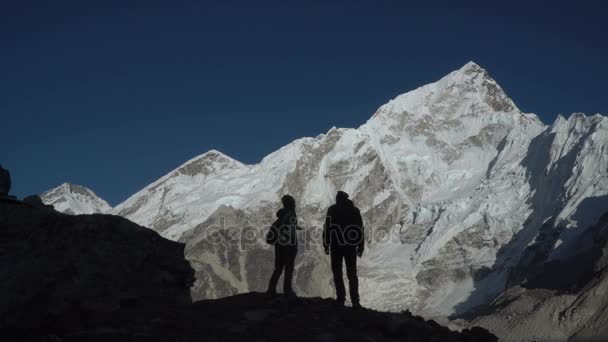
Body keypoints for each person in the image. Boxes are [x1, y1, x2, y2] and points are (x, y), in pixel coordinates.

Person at [323, 191, 364, 308]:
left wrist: (326, 244)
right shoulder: (354, 211)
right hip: (350, 246)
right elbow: (360, 229)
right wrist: (361, 246)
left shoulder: (332, 210)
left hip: (336, 246)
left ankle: (341, 298)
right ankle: (355, 301)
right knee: (352, 274)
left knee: (337, 273)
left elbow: (327, 228)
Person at [266, 194, 299, 297]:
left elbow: (284, 227)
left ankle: (271, 290)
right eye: (293, 202)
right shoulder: (291, 214)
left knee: (278, 268)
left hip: (279, 246)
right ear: (291, 204)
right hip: (289, 246)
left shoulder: (281, 216)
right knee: (288, 269)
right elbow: (288, 229)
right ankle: (287, 291)